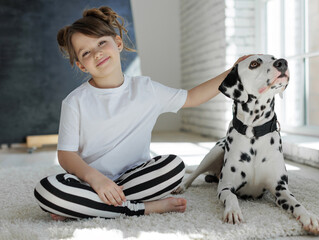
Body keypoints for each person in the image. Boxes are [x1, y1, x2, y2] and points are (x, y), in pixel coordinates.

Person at [34, 6, 249, 221]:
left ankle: (84, 207)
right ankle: (143, 208)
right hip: (89, 183)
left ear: (117, 43)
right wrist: (96, 180)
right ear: (82, 66)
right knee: (46, 189)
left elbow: (192, 97)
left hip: (135, 179)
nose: (97, 53)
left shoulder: (146, 89)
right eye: (86, 53)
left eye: (101, 43)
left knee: (174, 167)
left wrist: (233, 72)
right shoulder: (74, 102)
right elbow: (66, 155)